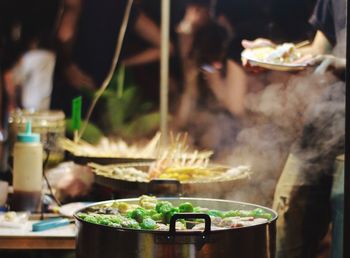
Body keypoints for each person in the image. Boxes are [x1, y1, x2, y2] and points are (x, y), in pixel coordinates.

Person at [242, 0, 345, 257]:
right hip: (324, 123)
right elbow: (318, 51)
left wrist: (341, 65)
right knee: (288, 221)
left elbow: (332, 60)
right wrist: (275, 54)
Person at [51, 0, 165, 122]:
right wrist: (125, 63)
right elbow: (165, 46)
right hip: (104, 93)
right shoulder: (125, 8)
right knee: (91, 135)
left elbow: (64, 35)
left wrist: (67, 66)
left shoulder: (80, 4)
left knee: (73, 133)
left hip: (76, 90)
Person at [174, 1, 247, 156]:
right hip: (203, 137)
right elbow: (189, 96)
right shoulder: (194, 69)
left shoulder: (227, 52)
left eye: (195, 9)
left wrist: (215, 82)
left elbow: (236, 110)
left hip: (228, 138)